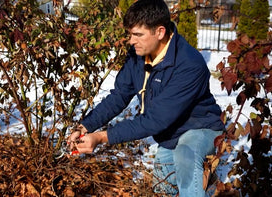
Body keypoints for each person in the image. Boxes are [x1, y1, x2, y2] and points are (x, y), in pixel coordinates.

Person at [68, 0, 225, 196]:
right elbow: (119, 96)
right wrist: (84, 126)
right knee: (162, 188)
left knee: (186, 160)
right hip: (170, 133)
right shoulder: (138, 55)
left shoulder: (189, 65)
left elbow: (155, 120)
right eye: (130, 34)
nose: (131, 41)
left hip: (201, 128)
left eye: (138, 35)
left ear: (159, 32)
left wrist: (100, 137)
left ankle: (207, 181)